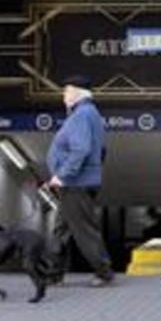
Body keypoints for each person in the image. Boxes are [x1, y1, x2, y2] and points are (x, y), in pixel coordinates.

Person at [46, 75, 114, 286]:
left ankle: (103, 271)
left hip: (75, 183)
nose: (63, 95)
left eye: (66, 90)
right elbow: (101, 150)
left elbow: (81, 149)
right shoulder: (90, 113)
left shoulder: (82, 115)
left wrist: (62, 174)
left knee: (84, 230)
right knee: (61, 229)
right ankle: (53, 272)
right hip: (79, 182)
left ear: (76, 92)